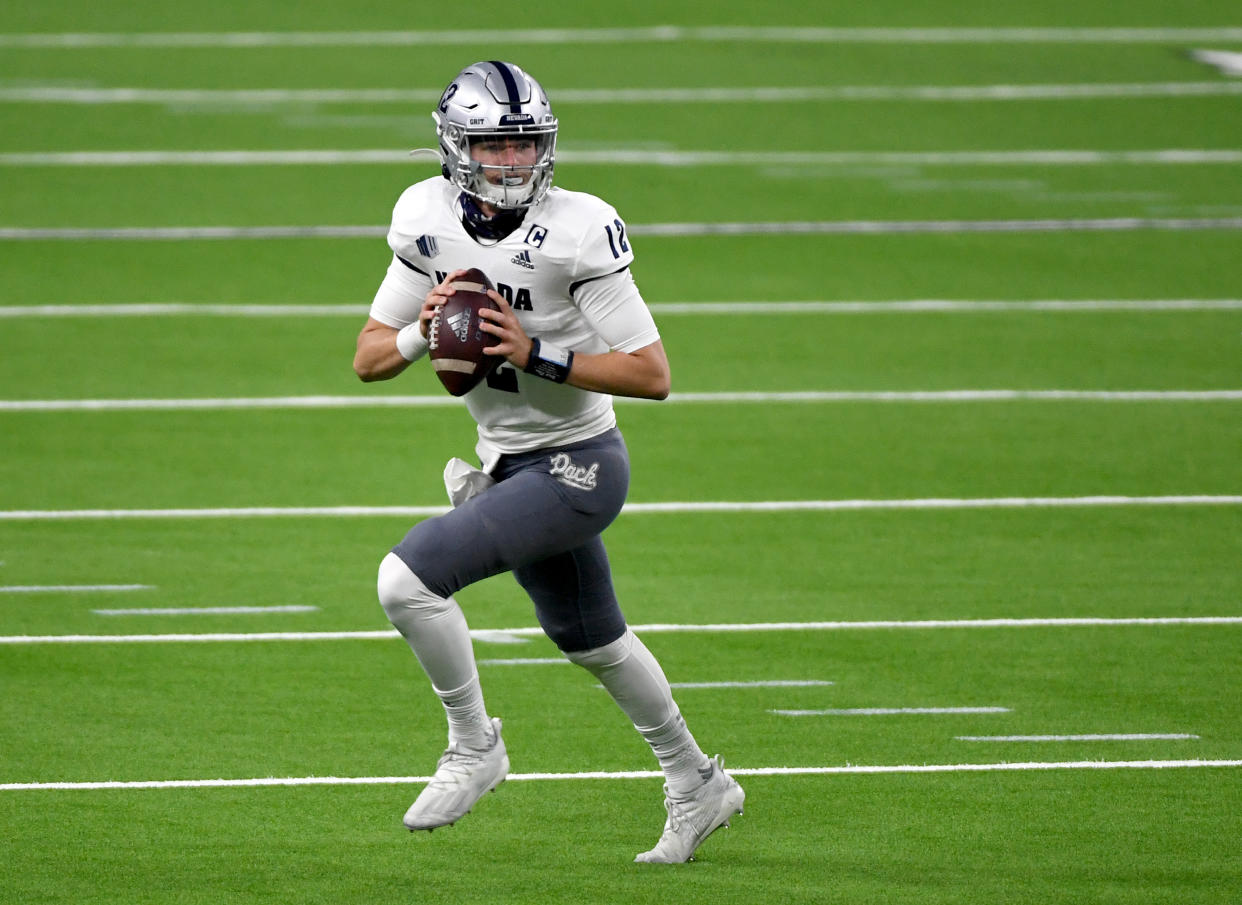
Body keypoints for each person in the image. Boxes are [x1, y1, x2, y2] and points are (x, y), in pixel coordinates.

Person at [352, 61, 744, 863]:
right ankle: (697, 778)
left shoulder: (577, 228)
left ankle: (474, 746)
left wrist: (539, 354)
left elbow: (651, 373)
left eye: (524, 146)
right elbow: (367, 358)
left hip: (580, 465)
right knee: (591, 638)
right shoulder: (423, 216)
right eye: (494, 147)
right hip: (506, 463)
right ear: (456, 149)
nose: (512, 163)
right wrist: (421, 333)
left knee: (407, 580)